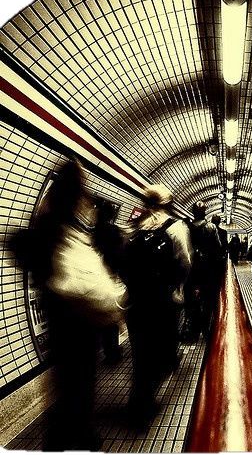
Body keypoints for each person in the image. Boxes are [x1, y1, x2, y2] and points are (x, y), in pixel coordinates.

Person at [11, 159, 127, 450]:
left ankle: (72, 439)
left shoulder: (48, 228)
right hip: (78, 324)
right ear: (77, 195)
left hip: (61, 325)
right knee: (78, 390)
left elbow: (22, 248)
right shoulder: (67, 231)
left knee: (67, 391)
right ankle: (79, 441)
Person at [122, 184, 192, 424]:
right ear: (168, 204)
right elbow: (184, 262)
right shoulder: (175, 227)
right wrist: (178, 288)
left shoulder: (134, 228)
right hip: (162, 300)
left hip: (136, 301)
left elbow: (124, 264)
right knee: (158, 349)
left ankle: (138, 402)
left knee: (140, 351)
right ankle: (144, 403)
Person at [184, 201, 222, 340]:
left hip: (190, 270)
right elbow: (218, 249)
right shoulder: (211, 227)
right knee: (208, 302)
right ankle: (206, 331)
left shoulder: (186, 227)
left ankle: (193, 331)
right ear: (205, 212)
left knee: (191, 301)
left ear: (193, 212)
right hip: (207, 270)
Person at [94, 200, 124, 364]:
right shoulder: (114, 230)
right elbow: (120, 254)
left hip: (97, 277)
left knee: (102, 316)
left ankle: (108, 351)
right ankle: (113, 351)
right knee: (111, 317)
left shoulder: (92, 232)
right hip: (112, 276)